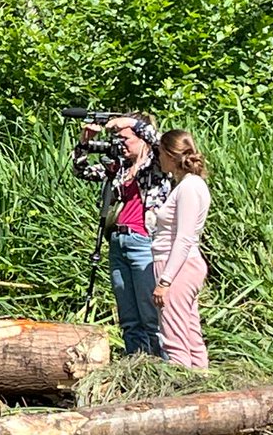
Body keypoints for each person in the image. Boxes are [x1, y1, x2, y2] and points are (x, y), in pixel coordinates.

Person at [73, 114, 171, 357]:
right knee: (128, 314)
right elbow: (81, 170)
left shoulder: (158, 162)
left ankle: (160, 363)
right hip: (119, 240)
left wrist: (129, 122)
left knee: (150, 313)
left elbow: (157, 140)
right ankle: (135, 364)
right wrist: (84, 143)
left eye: (126, 139)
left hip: (144, 241)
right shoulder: (121, 167)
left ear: (142, 139)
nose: (121, 144)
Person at [151, 129, 211, 369]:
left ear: (169, 154)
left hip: (176, 266)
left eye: (159, 153)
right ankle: (201, 383)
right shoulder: (187, 185)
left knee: (174, 338)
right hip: (181, 265)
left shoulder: (188, 187)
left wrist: (165, 281)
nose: (158, 159)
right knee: (189, 331)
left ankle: (181, 391)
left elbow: (184, 238)